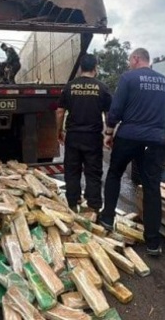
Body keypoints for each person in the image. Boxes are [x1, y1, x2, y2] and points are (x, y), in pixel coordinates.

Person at [99, 48, 165, 256]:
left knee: (115, 173)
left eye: (129, 60)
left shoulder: (128, 79)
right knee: (152, 186)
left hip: (129, 136)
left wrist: (109, 132)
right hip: (154, 140)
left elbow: (116, 109)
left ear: (136, 59)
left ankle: (107, 218)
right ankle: (153, 242)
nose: (128, 64)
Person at [56, 54, 112, 213]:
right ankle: (94, 207)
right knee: (93, 172)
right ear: (95, 68)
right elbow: (109, 114)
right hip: (93, 137)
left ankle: (73, 204)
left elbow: (60, 112)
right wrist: (109, 133)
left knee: (72, 171)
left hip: (73, 136)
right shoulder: (102, 87)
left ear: (80, 68)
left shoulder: (69, 87)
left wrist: (59, 131)